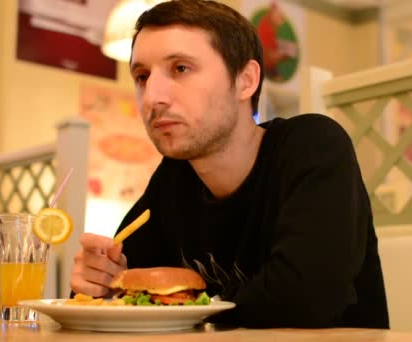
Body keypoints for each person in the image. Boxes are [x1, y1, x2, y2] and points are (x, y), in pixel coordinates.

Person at [70, 0, 389, 329]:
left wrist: (192, 307)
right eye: (142, 76)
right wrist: (98, 283)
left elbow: (305, 298)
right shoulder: (174, 178)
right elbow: (125, 289)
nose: (153, 97)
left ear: (246, 80)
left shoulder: (313, 146)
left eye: (180, 68)